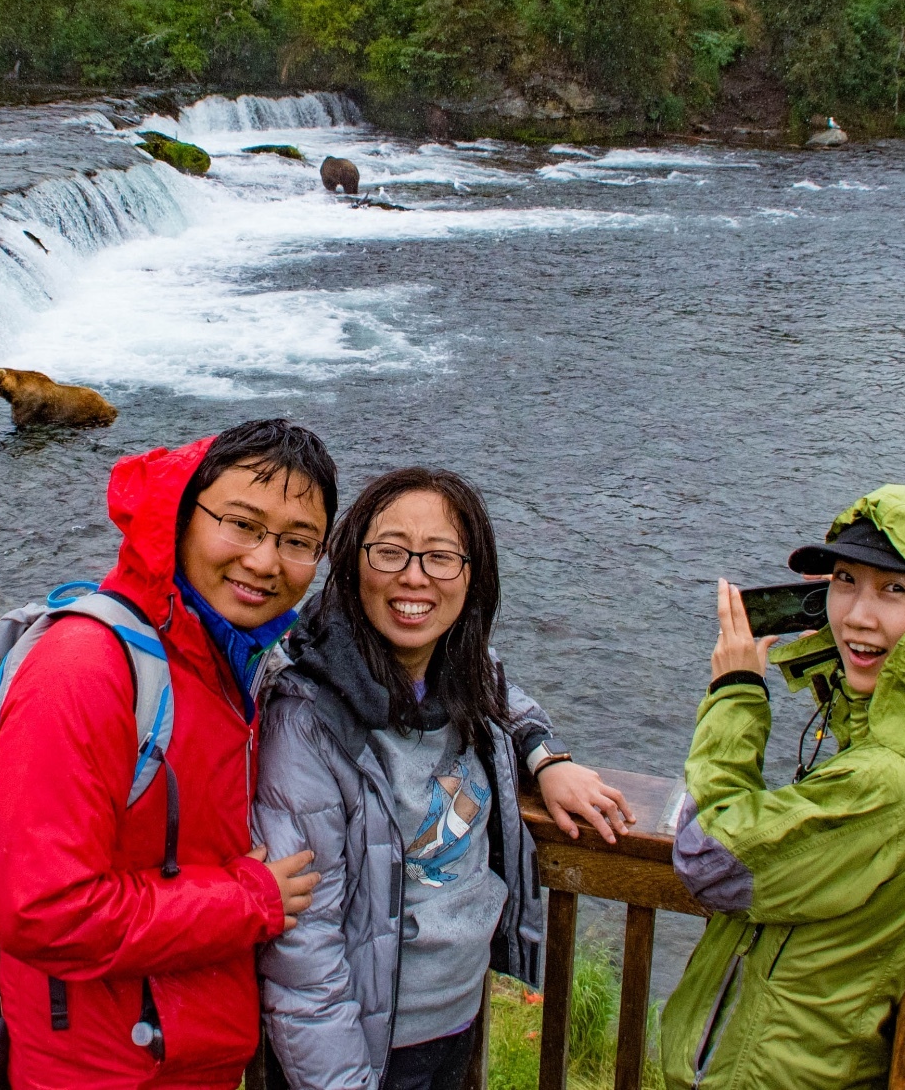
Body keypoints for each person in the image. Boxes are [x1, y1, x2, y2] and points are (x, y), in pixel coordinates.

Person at [253, 466, 633, 1090]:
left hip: (456, 1017)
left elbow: (510, 702)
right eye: (391, 552)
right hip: (363, 1041)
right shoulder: (307, 718)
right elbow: (305, 954)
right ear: (350, 565)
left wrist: (549, 759)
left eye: (441, 557)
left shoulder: (464, 671)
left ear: (472, 574)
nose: (414, 576)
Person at [0, 420, 333, 1089]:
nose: (264, 560)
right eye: (241, 524)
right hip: (99, 1062)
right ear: (182, 516)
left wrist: (538, 751)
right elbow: (43, 908)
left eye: (297, 541)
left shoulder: (229, 652)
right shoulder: (86, 667)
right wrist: (247, 900)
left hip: (187, 1042)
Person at [659, 485, 905, 1089]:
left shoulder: (889, 779)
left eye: (894, 590)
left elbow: (707, 858)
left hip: (773, 1068)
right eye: (845, 581)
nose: (855, 615)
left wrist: (736, 692)